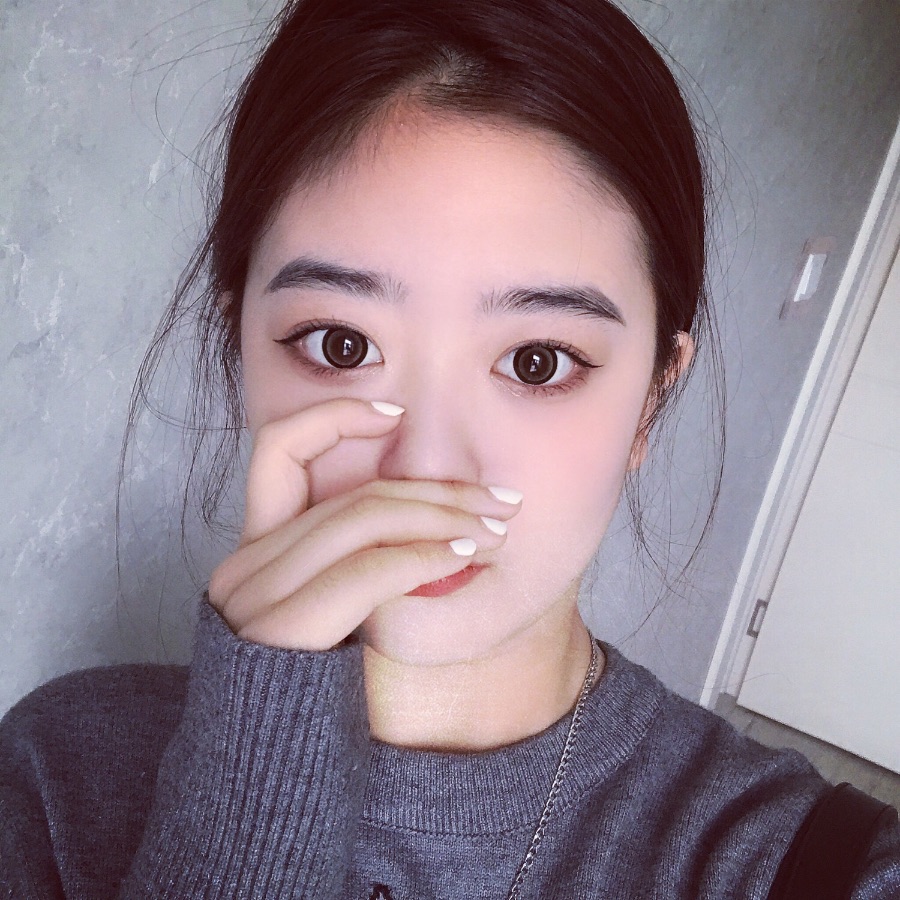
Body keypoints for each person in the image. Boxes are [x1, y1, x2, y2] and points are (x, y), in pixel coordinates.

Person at [1, 0, 898, 897]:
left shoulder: (816, 866)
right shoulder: (55, 779)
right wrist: (251, 784)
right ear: (242, 347)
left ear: (650, 402)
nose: (424, 467)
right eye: (340, 346)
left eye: (538, 361)